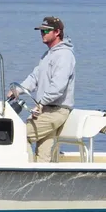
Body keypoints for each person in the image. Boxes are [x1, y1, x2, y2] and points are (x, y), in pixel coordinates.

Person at [10, 16, 75, 162]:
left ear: (57, 32)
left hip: (55, 111)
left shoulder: (64, 55)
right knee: (44, 154)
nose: (42, 33)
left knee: (18, 136)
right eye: (41, 31)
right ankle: (37, 180)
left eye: (46, 30)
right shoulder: (48, 55)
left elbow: (58, 87)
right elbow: (34, 77)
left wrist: (40, 103)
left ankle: (22, 172)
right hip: (45, 110)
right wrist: (17, 90)